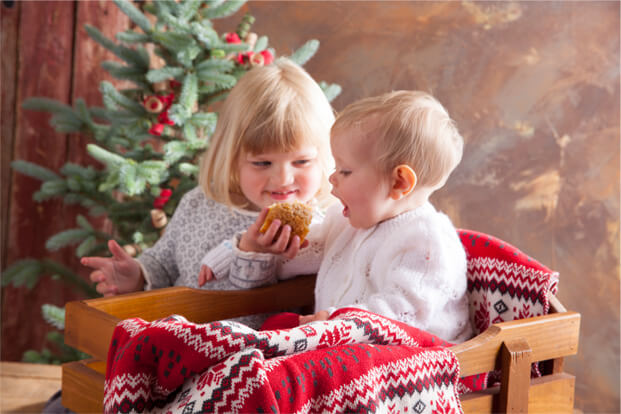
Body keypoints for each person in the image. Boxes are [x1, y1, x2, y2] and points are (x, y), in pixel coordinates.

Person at [80, 58, 336, 329]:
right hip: (177, 341)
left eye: (302, 162)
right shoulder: (199, 203)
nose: (283, 179)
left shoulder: (314, 229)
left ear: (324, 157)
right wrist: (138, 275)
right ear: (232, 157)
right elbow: (163, 261)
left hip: (246, 357)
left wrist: (254, 252)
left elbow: (262, 300)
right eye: (262, 163)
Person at [210, 90, 473, 343]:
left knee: (285, 362)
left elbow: (403, 316)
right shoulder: (344, 221)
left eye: (345, 171)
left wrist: (336, 322)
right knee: (273, 328)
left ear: (399, 182)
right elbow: (292, 257)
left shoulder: (426, 242)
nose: (332, 178)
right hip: (345, 350)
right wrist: (256, 246)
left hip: (418, 365)